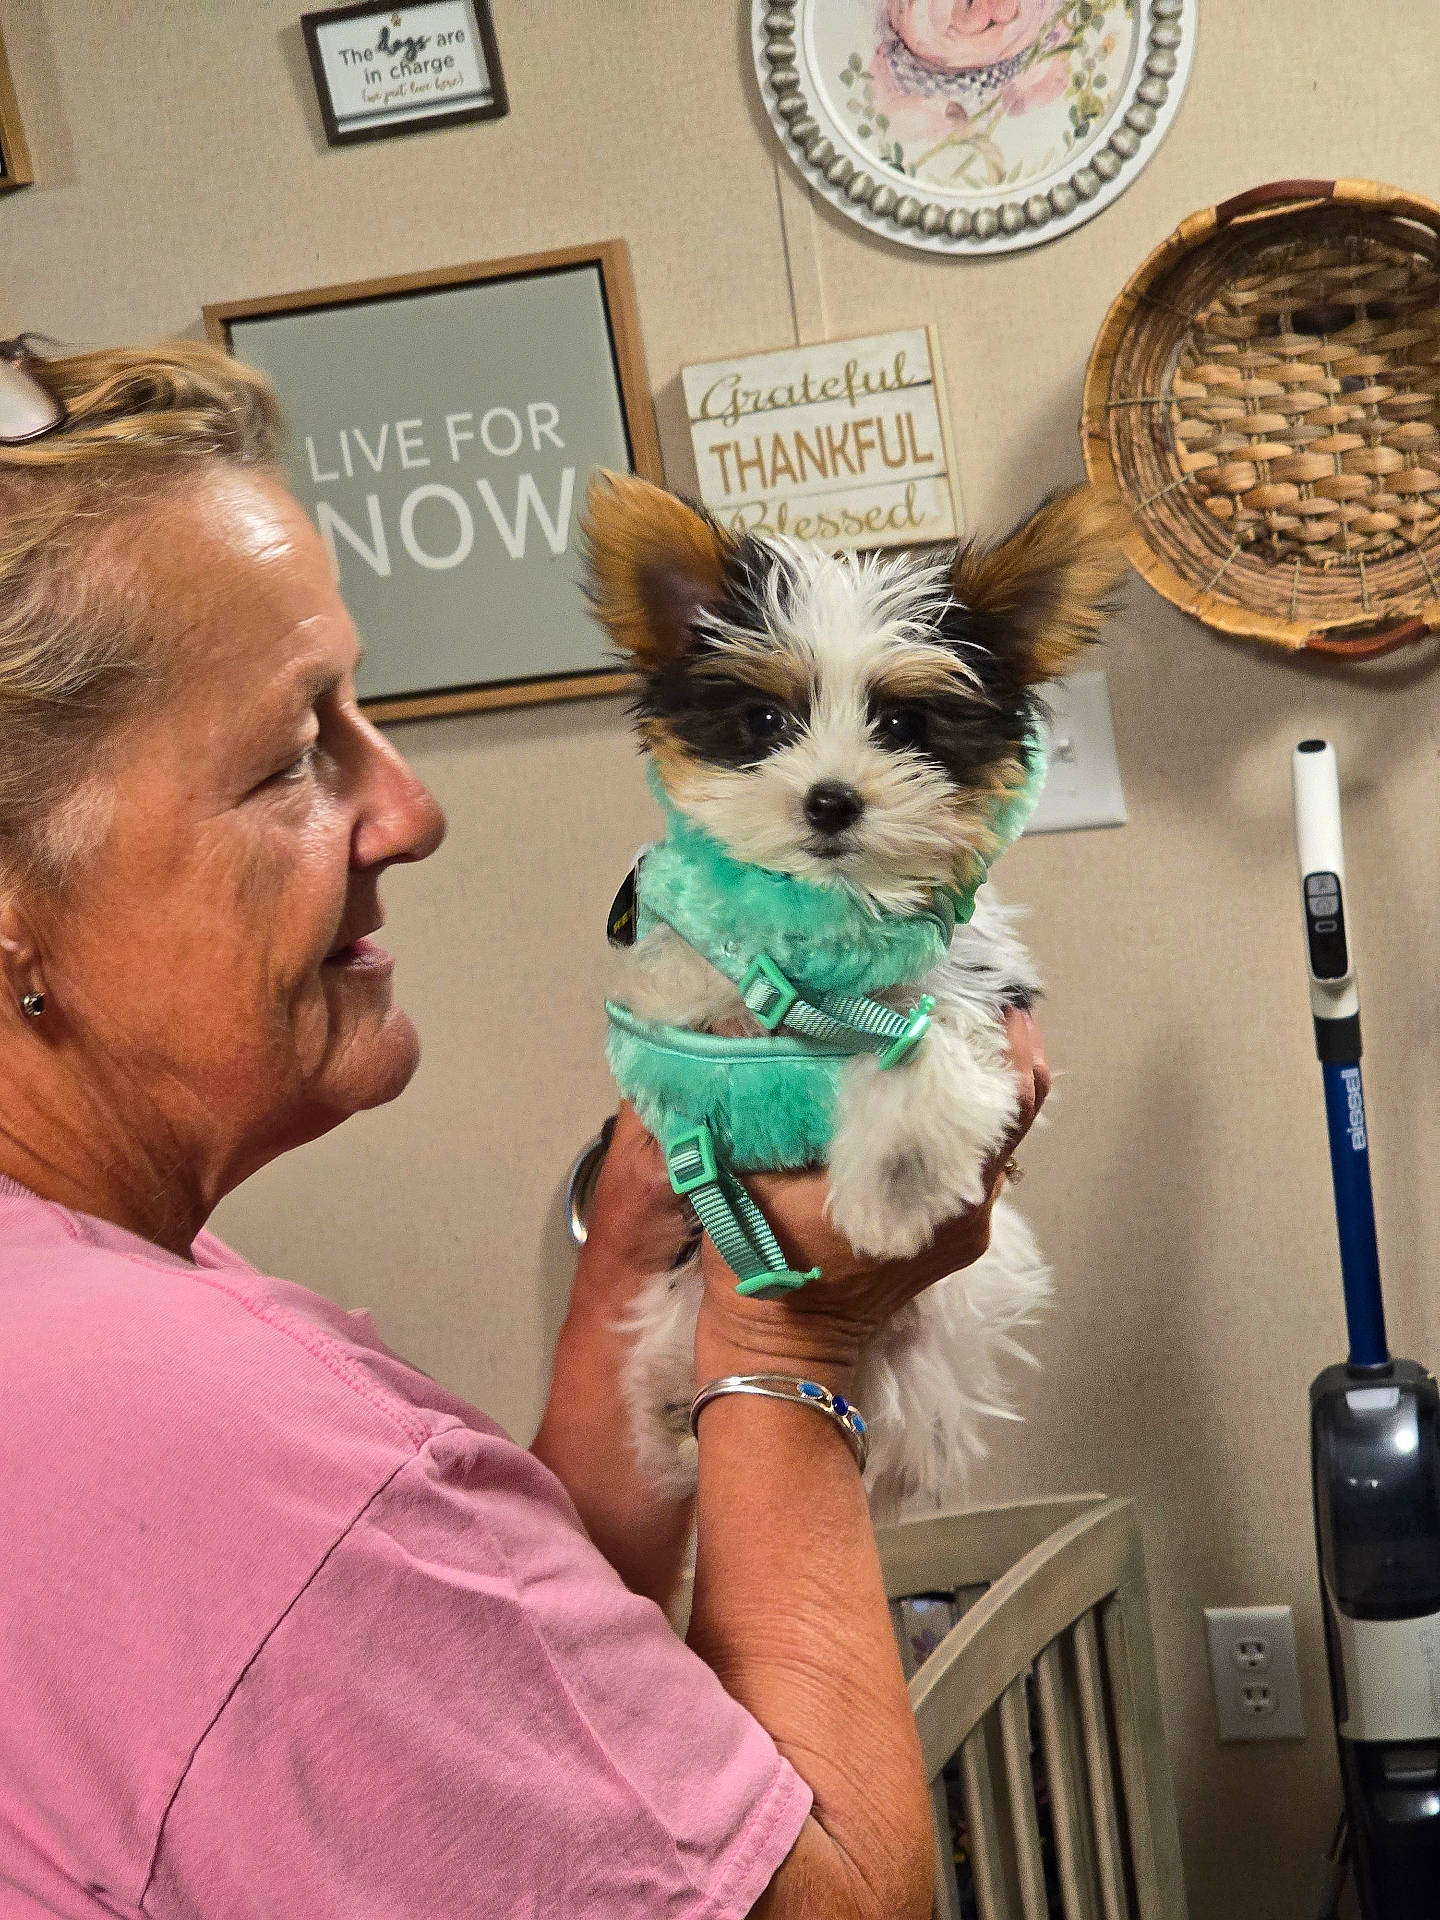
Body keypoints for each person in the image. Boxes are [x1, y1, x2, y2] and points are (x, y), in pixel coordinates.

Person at [0, 339, 1049, 1919]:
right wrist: (790, 1338)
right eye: (297, 753)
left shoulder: (90, 1285)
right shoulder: (203, 1442)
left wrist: (629, 1281)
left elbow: (524, 1708)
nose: (412, 807)